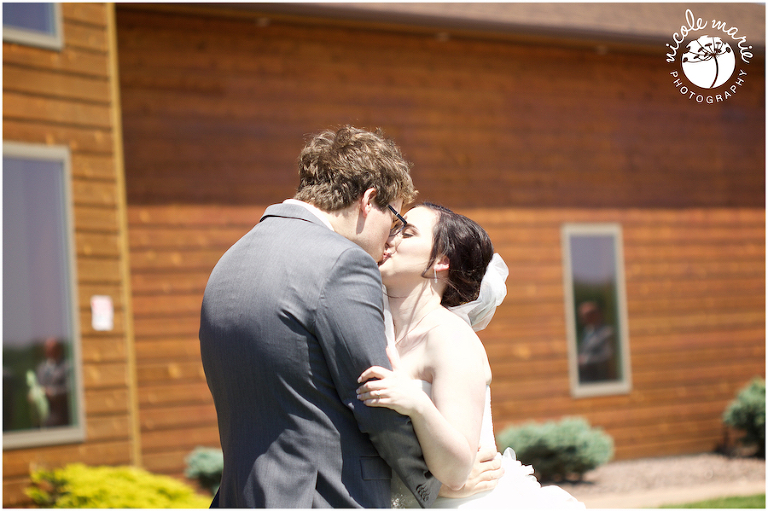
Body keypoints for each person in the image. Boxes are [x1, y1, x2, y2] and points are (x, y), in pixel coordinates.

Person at [199, 126, 446, 508]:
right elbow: (374, 400)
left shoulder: (229, 261)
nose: (390, 237)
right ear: (369, 200)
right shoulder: (342, 263)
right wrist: (437, 482)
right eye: (395, 218)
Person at [357, 203, 585, 508]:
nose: (390, 238)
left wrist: (417, 404)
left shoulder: (451, 338)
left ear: (441, 262)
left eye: (407, 233)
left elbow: (456, 471)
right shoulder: (378, 329)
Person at [576, 301, 616, 383]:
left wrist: (585, 360)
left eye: (587, 315)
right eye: (582, 315)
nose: (583, 318)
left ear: (597, 314)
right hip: (586, 378)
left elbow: (607, 356)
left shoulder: (606, 332)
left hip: (601, 378)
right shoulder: (587, 331)